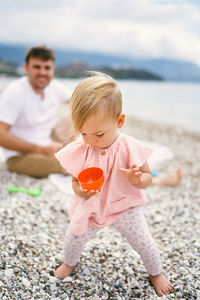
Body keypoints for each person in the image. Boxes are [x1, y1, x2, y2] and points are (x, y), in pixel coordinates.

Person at [54, 72, 174, 296]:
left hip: (124, 206)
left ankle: (156, 273)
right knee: (73, 237)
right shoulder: (83, 147)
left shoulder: (129, 147)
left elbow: (147, 178)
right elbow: (74, 180)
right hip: (92, 207)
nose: (90, 140)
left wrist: (138, 179)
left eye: (99, 133)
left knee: (144, 243)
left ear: (119, 121)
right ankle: (70, 263)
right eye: (84, 133)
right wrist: (81, 190)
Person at [0, 45, 75, 178]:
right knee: (71, 165)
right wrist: (39, 149)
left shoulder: (53, 86)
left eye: (47, 68)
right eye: (37, 67)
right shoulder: (15, 92)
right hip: (21, 156)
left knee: (79, 116)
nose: (42, 72)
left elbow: (80, 100)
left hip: (48, 140)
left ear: (53, 69)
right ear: (26, 68)